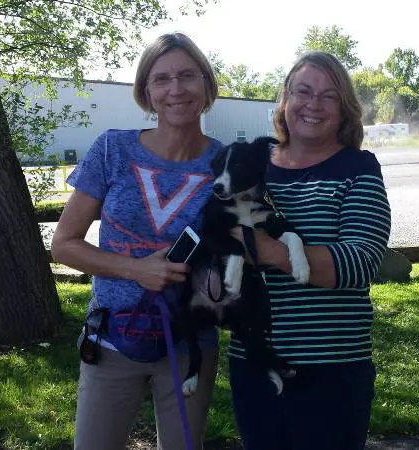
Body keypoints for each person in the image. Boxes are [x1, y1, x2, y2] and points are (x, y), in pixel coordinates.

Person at [50, 33, 222, 450]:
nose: (175, 89)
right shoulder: (113, 149)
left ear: (206, 84)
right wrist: (136, 269)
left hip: (189, 345)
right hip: (112, 338)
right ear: (146, 91)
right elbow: (64, 244)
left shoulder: (228, 165)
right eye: (161, 79)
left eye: (187, 76)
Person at [227, 52, 392, 450]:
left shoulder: (358, 167)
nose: (313, 104)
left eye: (328, 96)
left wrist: (265, 250)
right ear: (284, 99)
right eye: (303, 91)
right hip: (254, 363)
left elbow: (361, 262)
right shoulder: (252, 166)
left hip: (332, 368)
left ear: (345, 110)